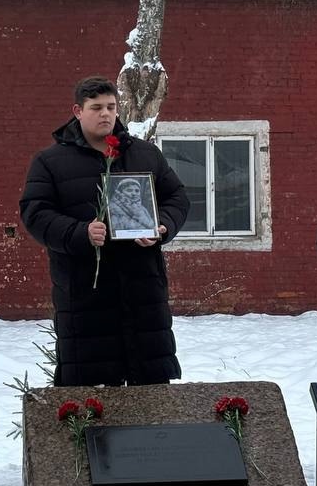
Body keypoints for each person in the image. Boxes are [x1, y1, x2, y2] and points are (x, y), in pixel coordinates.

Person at [20, 76, 190, 386]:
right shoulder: (50, 162)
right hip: (85, 294)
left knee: (151, 391)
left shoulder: (145, 153)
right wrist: (80, 233)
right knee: (93, 394)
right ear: (77, 111)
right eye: (96, 107)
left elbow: (177, 197)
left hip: (143, 294)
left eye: (111, 107)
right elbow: (36, 213)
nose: (106, 114)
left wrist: (162, 225)